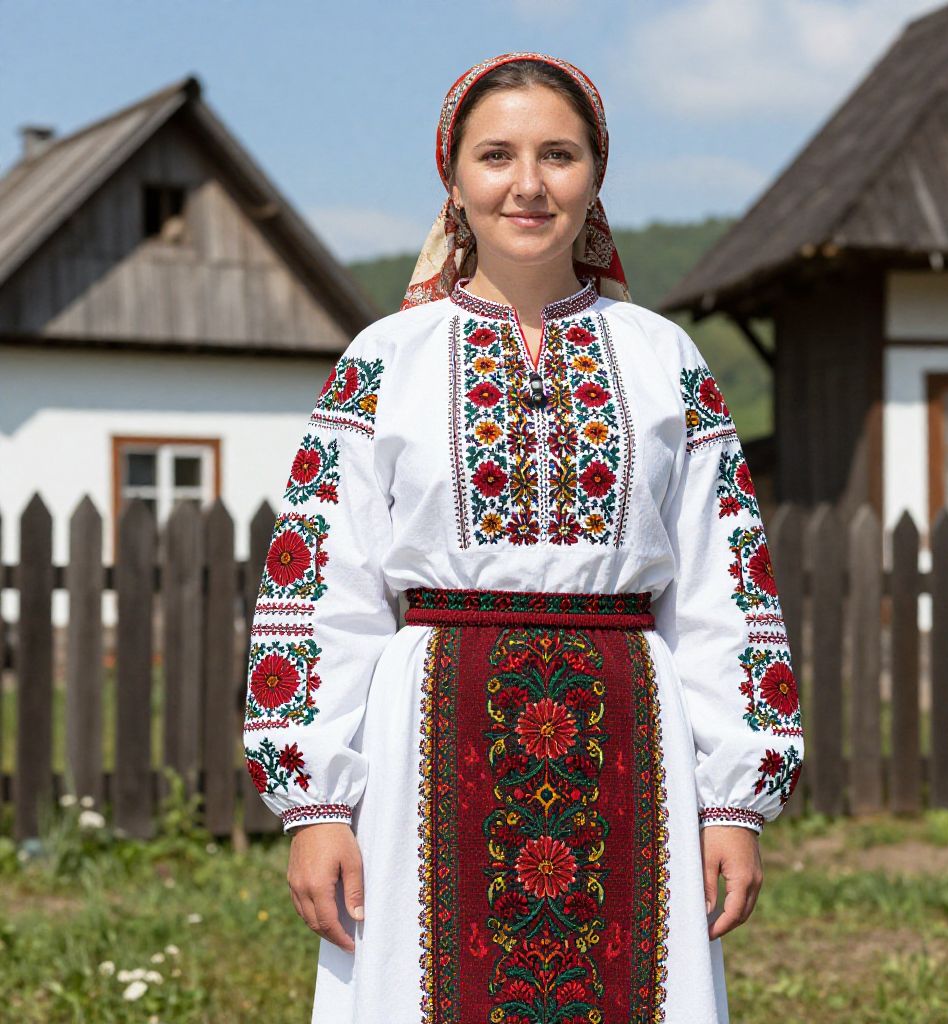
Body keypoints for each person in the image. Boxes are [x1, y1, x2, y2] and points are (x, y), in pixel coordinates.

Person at [242, 51, 804, 1024]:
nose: (529, 183)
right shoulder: (384, 361)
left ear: (597, 173)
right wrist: (317, 802)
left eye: (559, 154)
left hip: (630, 730)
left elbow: (725, 589)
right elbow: (323, 588)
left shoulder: (663, 358)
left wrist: (732, 800)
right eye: (496, 155)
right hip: (429, 737)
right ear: (453, 176)